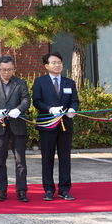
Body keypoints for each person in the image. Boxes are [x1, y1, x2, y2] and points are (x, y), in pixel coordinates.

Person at [32, 52, 80, 201]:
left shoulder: (69, 83)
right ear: (46, 66)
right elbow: (37, 101)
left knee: (65, 158)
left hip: (65, 125)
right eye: (53, 62)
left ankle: (64, 189)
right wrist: (50, 109)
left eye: (59, 62)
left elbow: (75, 101)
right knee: (47, 158)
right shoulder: (40, 82)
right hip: (47, 125)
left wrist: (73, 109)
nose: (57, 65)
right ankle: (48, 189)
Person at [0, 55, 31, 202]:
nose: (6, 72)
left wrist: (19, 109)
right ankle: (1, 190)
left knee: (20, 160)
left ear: (14, 69)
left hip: (18, 126)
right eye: (3, 70)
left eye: (9, 69)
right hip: (0, 127)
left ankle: (21, 191)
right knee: (0, 161)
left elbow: (26, 100)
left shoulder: (20, 83)